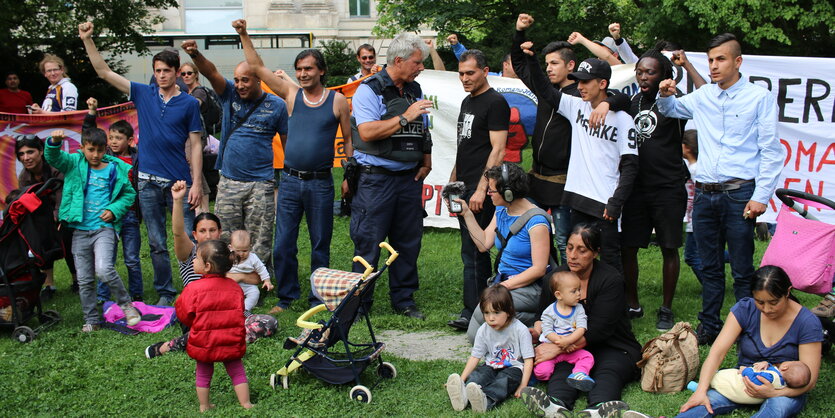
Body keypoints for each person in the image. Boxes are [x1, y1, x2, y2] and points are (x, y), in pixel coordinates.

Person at [657, 33, 784, 345]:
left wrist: (761, 196)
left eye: (721, 59)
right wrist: (664, 92)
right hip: (704, 194)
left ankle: (745, 327)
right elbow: (671, 109)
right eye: (711, 60)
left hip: (740, 193)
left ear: (737, 62)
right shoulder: (704, 96)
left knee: (742, 268)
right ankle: (710, 326)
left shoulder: (759, 97)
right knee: (709, 266)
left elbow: (771, 151)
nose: (713, 66)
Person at [80, 21, 204, 306]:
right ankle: (164, 293)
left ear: (176, 73)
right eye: (157, 70)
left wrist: (197, 183)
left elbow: (196, 144)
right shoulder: (143, 93)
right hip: (147, 180)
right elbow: (104, 71)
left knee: (186, 241)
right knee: (157, 243)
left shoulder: (188, 104)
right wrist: (88, 40)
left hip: (179, 183)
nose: (161, 75)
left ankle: (195, 289)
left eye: (166, 71)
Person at [234, 19, 352, 313]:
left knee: (320, 244)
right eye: (299, 69)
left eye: (308, 69)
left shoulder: (338, 101)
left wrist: (351, 176)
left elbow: (348, 141)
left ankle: (318, 298)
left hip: (321, 183)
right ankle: (287, 298)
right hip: (289, 183)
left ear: (321, 71)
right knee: (284, 244)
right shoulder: (291, 94)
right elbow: (258, 67)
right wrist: (244, 34)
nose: (302, 74)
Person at [517, 14, 638, 277]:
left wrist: (616, 203)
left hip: (605, 202)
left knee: (609, 260)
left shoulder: (622, 118)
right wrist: (531, 59)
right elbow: (545, 91)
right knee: (577, 258)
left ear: (603, 84)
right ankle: (581, 305)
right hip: (576, 197)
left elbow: (630, 166)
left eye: (585, 81)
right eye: (578, 80)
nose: (580, 86)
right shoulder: (575, 106)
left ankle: (616, 313)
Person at [183, 26, 289, 275]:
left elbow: (287, 143)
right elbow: (211, 73)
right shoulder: (229, 94)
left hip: (261, 182)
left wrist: (287, 174)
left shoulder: (277, 106)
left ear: (259, 80)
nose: (239, 85)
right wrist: (195, 55)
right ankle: (225, 278)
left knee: (259, 236)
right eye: (237, 79)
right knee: (227, 236)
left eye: (245, 80)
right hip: (229, 180)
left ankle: (260, 280)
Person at [350, 32, 434, 320]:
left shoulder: (415, 88)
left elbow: (423, 127)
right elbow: (367, 131)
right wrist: (405, 117)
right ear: (398, 61)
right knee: (369, 240)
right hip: (376, 179)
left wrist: (426, 159)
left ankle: (404, 300)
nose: (421, 67)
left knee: (408, 241)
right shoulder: (368, 90)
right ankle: (359, 303)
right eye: (417, 62)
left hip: (408, 179)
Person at [521, 223, 641, 418]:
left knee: (607, 370)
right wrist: (539, 333)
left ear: (595, 253)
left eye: (581, 250)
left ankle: (599, 409)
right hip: (569, 345)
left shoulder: (611, 280)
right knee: (562, 368)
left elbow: (599, 329)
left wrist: (557, 347)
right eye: (569, 248)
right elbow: (540, 315)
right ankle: (556, 406)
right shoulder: (555, 278)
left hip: (613, 344)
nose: (573, 255)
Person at [675, 265, 822, 417]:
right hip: (742, 381)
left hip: (782, 388)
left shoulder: (807, 322)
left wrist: (775, 392)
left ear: (787, 292)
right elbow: (716, 354)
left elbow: (809, 380)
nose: (767, 309)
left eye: (773, 302)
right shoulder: (745, 309)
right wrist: (700, 391)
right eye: (760, 302)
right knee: (704, 402)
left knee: (778, 408)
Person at [144, 181, 261, 358]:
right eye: (203, 231)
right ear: (195, 234)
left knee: (268, 322)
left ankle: (222, 337)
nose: (208, 235)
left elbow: (255, 279)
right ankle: (178, 344)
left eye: (212, 230)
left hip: (226, 313)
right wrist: (177, 201)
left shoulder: (224, 254)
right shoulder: (189, 253)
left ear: (219, 232)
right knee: (206, 330)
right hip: (199, 316)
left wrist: (233, 276)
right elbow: (177, 233)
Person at [44, 129, 140, 331]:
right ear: (82, 148)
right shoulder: (73, 163)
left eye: (99, 150)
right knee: (85, 280)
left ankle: (127, 306)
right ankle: (92, 320)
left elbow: (129, 195)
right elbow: (52, 156)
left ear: (106, 149)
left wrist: (114, 210)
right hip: (79, 230)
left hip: (103, 229)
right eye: (90, 150)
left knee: (104, 269)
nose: (95, 155)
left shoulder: (116, 168)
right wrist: (53, 141)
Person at [620, 49, 688, 330]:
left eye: (651, 72)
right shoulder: (633, 101)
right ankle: (632, 303)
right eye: (640, 72)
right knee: (628, 248)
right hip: (637, 189)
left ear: (664, 76)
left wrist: (668, 93)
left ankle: (666, 308)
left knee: (669, 248)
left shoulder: (675, 102)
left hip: (668, 188)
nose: (644, 77)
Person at [447, 49, 509, 331]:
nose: (464, 78)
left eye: (470, 73)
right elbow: (464, 147)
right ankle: (473, 307)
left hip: (480, 189)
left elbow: (498, 149)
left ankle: (476, 310)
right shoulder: (466, 101)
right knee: (468, 250)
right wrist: (452, 185)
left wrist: (482, 189)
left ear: (485, 71)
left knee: (477, 250)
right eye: (461, 73)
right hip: (464, 186)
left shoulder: (495, 102)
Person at [457, 163, 551, 343]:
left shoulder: (537, 221)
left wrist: (503, 287)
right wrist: (467, 213)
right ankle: (518, 325)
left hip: (529, 287)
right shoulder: (501, 209)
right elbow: (484, 244)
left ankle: (535, 322)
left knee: (483, 314)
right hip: (504, 283)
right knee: (474, 335)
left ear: (508, 192)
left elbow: (539, 269)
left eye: (491, 191)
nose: (488, 194)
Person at [175, 240, 251, 412]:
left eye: (196, 258)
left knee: (203, 372)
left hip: (204, 340)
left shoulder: (193, 288)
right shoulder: (235, 288)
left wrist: (195, 325)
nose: (193, 261)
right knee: (237, 370)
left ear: (207, 266)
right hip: (230, 339)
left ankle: (204, 405)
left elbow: (183, 312)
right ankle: (245, 403)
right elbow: (240, 310)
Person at [83, 97, 144, 302]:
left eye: (119, 138)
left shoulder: (137, 158)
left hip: (130, 215)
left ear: (130, 140)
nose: (114, 141)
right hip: (107, 216)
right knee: (105, 259)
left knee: (132, 259)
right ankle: (103, 296)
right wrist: (92, 112)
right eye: (111, 137)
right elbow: (88, 135)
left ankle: (137, 295)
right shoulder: (105, 157)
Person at [445, 285, 534, 413]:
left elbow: (528, 360)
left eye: (496, 313)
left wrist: (523, 385)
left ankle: (486, 400)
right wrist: (462, 378)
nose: (491, 318)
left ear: (508, 311)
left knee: (503, 382)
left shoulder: (520, 330)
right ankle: (462, 394)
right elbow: (475, 356)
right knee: (479, 375)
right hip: (491, 365)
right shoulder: (483, 330)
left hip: (514, 368)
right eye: (486, 313)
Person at [14, 135, 76, 298]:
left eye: (30, 152)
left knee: (66, 237)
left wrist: (57, 218)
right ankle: (49, 285)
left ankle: (77, 280)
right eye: (21, 154)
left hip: (65, 212)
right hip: (42, 216)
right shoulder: (24, 177)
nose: (26, 158)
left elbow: (63, 196)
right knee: (39, 239)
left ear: (41, 151)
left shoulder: (56, 168)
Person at [534, 271, 595, 391]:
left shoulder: (579, 309)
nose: (579, 294)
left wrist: (568, 341)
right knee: (542, 371)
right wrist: (560, 342)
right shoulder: (549, 311)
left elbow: (581, 328)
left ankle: (579, 374)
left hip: (571, 347)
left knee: (587, 357)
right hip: (551, 347)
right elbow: (547, 330)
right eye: (574, 291)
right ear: (559, 295)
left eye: (579, 289)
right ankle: (539, 376)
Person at [178, 62, 213, 215]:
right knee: (195, 169)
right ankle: (202, 207)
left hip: (197, 136)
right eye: (183, 74)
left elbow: (192, 107)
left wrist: (178, 96)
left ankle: (201, 208)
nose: (186, 76)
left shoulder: (199, 92)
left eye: (189, 73)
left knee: (194, 168)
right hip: (187, 136)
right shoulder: (189, 92)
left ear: (196, 74)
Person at [708, 360, 811, 405]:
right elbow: (773, 370)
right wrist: (767, 364)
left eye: (792, 361)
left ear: (785, 367)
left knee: (725, 378)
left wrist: (745, 370)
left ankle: (710, 381)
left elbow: (754, 378)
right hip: (752, 396)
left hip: (743, 389)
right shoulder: (782, 382)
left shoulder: (770, 377)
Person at [229, 229, 273, 315]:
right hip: (231, 284)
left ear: (250, 247)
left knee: (255, 292)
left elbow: (261, 269)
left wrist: (267, 281)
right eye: (238, 251)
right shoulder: (228, 257)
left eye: (245, 251)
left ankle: (246, 309)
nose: (241, 254)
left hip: (248, 285)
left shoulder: (253, 258)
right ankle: (230, 307)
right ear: (231, 247)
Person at [681, 130, 703, 284]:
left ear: (687, 147)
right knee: (706, 252)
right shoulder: (689, 167)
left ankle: (710, 284)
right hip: (692, 219)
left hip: (696, 220)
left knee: (691, 256)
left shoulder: (695, 170)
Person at [446, 34, 517, 78]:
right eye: (516, 64)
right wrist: (456, 46)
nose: (520, 67)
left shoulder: (526, 82)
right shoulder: (490, 78)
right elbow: (469, 60)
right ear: (506, 65)